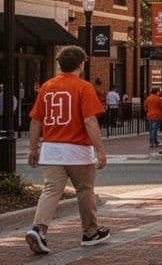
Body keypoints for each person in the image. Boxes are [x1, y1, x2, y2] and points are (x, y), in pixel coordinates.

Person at [24, 46, 109, 254]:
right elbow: (90, 121)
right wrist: (100, 150)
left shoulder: (46, 86)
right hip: (77, 149)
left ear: (59, 64)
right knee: (85, 190)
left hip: (51, 148)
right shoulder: (84, 87)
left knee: (51, 190)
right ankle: (90, 233)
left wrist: (33, 148)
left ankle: (39, 229)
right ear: (81, 64)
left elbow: (36, 121)